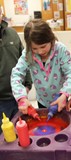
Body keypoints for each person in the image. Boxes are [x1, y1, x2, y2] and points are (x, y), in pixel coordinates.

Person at [11, 19, 71, 114]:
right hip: (42, 100)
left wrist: (65, 94)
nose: (40, 51)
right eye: (35, 48)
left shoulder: (60, 50)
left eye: (43, 46)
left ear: (51, 39)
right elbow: (16, 74)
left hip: (60, 98)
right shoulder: (28, 54)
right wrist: (21, 97)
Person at [0, 5, 32, 133]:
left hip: (19, 97)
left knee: (24, 134)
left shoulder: (12, 34)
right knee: (5, 138)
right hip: (1, 100)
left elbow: (25, 59)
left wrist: (28, 85)